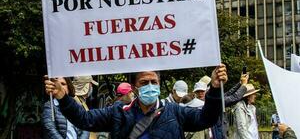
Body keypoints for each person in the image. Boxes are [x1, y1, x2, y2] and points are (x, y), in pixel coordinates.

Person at [44, 64, 228, 139]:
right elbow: (84, 119)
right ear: (134, 87)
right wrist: (63, 97)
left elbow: (207, 119)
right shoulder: (117, 112)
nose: (150, 86)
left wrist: (214, 88)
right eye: (144, 82)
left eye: (153, 82)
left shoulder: (175, 112)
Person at [211, 73, 248, 139]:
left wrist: (240, 83)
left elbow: (228, 93)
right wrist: (244, 85)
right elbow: (234, 97)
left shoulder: (214, 98)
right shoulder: (214, 100)